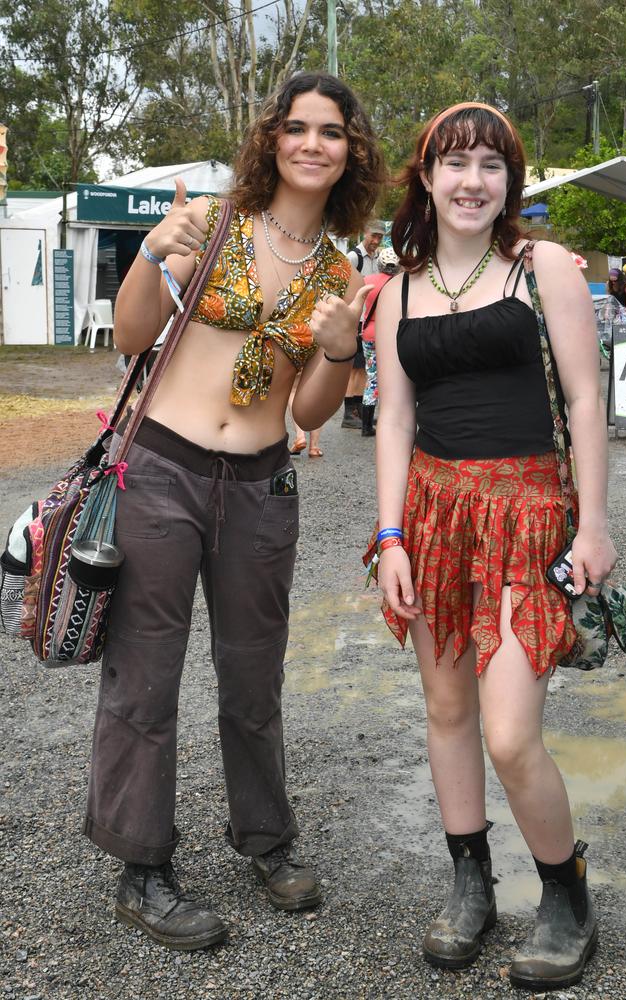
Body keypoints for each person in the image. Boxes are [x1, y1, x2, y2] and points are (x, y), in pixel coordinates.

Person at [83, 70, 383, 951]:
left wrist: (336, 350)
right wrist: (148, 250)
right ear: (272, 139)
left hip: (259, 482)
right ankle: (143, 864)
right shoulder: (212, 226)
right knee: (146, 670)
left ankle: (267, 837)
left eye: (331, 132)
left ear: (349, 152)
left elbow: (312, 412)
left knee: (254, 678)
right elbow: (133, 336)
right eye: (296, 127)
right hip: (163, 469)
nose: (311, 144)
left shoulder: (343, 270)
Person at [369, 102, 617, 991]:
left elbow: (586, 401)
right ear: (426, 177)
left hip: (525, 512)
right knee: (446, 714)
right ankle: (470, 879)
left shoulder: (541, 265)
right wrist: (390, 534)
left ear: (509, 182)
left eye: (491, 165)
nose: (472, 180)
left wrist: (592, 522)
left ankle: (564, 891)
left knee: (510, 733)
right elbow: (393, 417)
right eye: (455, 162)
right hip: (433, 516)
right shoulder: (396, 288)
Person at [341, 221, 385, 427]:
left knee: (363, 369)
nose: (376, 241)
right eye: (373, 235)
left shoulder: (377, 258)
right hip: (355, 321)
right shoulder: (353, 257)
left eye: (380, 237)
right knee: (354, 369)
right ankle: (349, 414)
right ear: (364, 232)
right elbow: (342, 287)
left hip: (366, 322)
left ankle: (358, 411)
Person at [359, 246, 401, 437]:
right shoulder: (400, 284)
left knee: (372, 377)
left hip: (368, 333)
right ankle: (390, 421)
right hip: (390, 335)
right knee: (393, 377)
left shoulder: (367, 281)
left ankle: (366, 424)